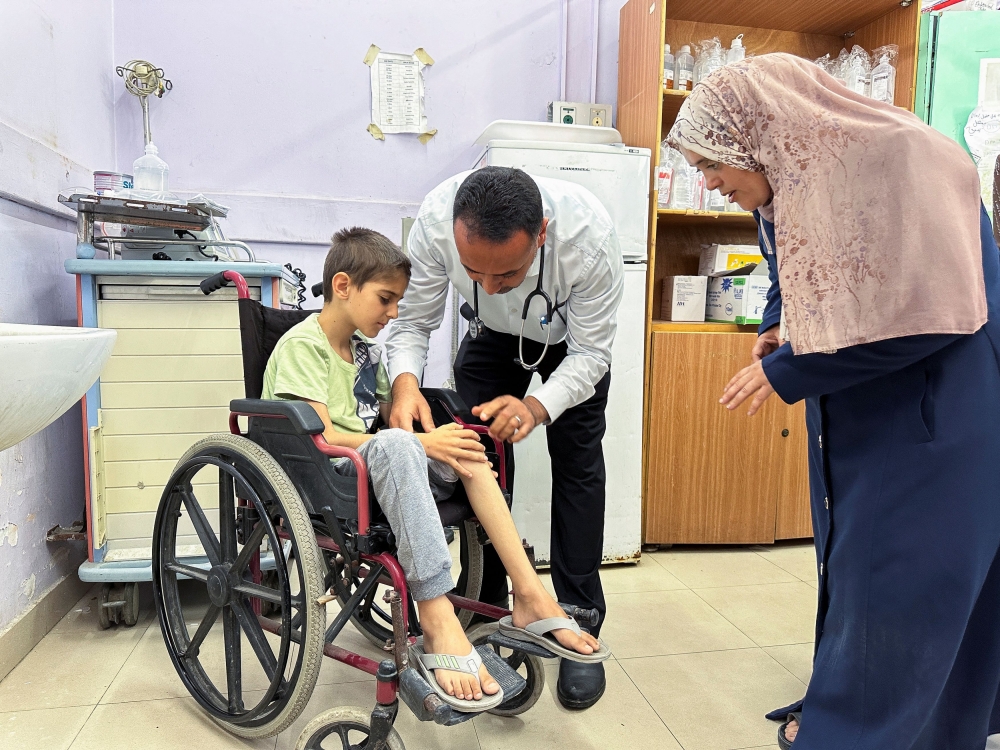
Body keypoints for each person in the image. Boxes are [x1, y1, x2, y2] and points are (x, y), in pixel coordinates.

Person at [668, 53, 1000, 750]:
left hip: (934, 410)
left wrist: (789, 371)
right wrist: (771, 328)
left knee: (903, 580)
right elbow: (789, 266)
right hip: (862, 404)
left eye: (711, 164)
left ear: (749, 137)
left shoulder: (903, 159)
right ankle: (865, 709)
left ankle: (858, 734)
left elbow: (931, 314)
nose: (709, 182)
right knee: (858, 570)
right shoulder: (794, 172)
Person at [261, 226, 601, 710]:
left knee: (464, 447)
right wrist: (416, 441)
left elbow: (385, 417)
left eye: (398, 300)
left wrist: (427, 428)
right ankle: (437, 615)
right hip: (326, 474)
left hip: (376, 467)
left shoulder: (365, 354)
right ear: (342, 286)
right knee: (402, 445)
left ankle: (529, 593)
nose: (394, 312)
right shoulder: (303, 347)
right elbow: (324, 436)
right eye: (385, 299)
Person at [385, 167, 623, 709]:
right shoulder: (434, 221)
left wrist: (536, 406)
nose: (489, 285)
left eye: (508, 273)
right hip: (491, 335)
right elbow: (414, 321)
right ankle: (490, 603)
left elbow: (591, 354)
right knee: (476, 455)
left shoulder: (590, 238)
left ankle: (579, 614)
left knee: (579, 465)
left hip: (571, 343)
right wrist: (404, 383)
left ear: (541, 233)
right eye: (475, 272)